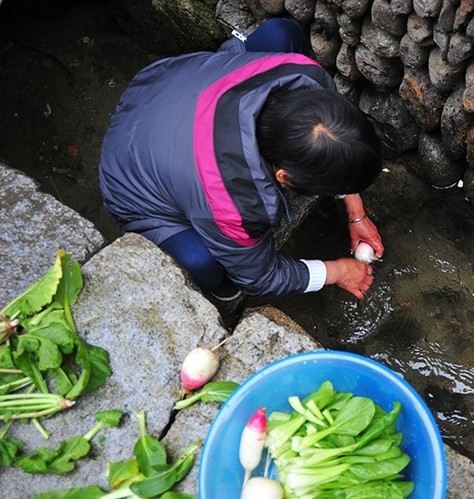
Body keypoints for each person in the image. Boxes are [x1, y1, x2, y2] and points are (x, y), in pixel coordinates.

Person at [99, 18, 385, 324]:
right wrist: (338, 271)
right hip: (127, 172)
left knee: (281, 33)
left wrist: (357, 212)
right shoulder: (236, 201)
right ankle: (222, 296)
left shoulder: (304, 77)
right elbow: (261, 277)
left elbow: (333, 145)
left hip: (165, 89)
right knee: (202, 261)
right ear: (284, 177)